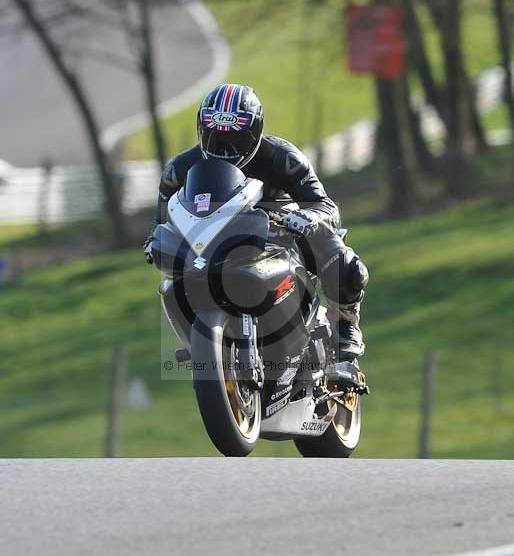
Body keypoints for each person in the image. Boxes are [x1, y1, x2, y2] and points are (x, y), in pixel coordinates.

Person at [144, 83, 368, 365]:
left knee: (337, 251)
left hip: (278, 236)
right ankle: (203, 343)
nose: (225, 148)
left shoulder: (283, 158)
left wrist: (306, 217)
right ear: (202, 130)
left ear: (255, 132)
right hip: (213, 245)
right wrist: (155, 242)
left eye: (235, 140)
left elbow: (325, 206)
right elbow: (161, 222)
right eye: (215, 138)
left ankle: (345, 321)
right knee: (171, 278)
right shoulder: (179, 170)